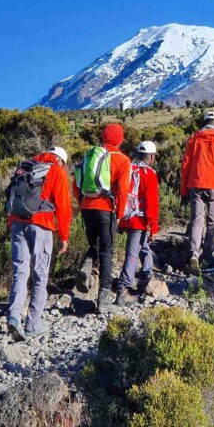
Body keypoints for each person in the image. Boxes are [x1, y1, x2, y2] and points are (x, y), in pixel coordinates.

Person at [5, 146, 72, 341]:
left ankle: (14, 316)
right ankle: (32, 325)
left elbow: (14, 197)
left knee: (20, 272)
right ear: (60, 160)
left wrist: (12, 223)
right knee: (40, 275)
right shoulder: (57, 171)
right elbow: (63, 206)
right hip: (42, 225)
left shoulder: (25, 167)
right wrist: (64, 236)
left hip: (18, 223)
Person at [74, 122, 131, 313]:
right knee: (107, 252)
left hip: (87, 207)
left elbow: (76, 184)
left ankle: (86, 265)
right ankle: (103, 302)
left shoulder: (92, 155)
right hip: (106, 208)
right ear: (120, 139)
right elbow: (123, 190)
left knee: (95, 245)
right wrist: (120, 214)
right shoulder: (122, 160)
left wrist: (83, 201)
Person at [180, 110, 214, 274]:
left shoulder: (194, 139)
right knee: (213, 223)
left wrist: (183, 190)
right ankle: (207, 256)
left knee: (197, 221)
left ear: (205, 123)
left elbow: (185, 165)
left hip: (196, 184)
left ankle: (194, 255)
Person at [116, 141, 160, 305]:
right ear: (151, 156)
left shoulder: (127, 168)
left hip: (124, 217)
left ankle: (148, 274)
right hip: (138, 220)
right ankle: (123, 288)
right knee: (132, 254)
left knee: (143, 245)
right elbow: (151, 203)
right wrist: (154, 227)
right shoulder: (149, 174)